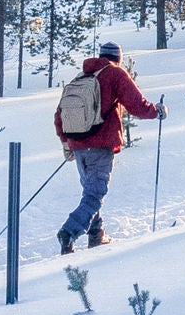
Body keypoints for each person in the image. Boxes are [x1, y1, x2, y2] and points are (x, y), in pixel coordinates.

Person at [55, 42, 163, 254]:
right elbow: (137, 105)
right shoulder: (115, 74)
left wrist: (65, 142)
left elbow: (59, 114)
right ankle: (69, 231)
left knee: (90, 192)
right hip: (100, 144)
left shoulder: (81, 77)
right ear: (118, 58)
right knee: (95, 194)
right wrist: (157, 111)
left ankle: (96, 234)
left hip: (77, 146)